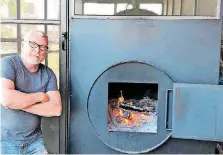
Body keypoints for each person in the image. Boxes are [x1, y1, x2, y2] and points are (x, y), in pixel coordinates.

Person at [0, 30, 62, 154]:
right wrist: (40, 96)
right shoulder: (8, 63)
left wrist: (18, 102)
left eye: (43, 47)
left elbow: (56, 109)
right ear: (23, 45)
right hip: (5, 141)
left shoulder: (48, 74)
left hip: (35, 141)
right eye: (33, 44)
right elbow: (7, 100)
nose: (37, 50)